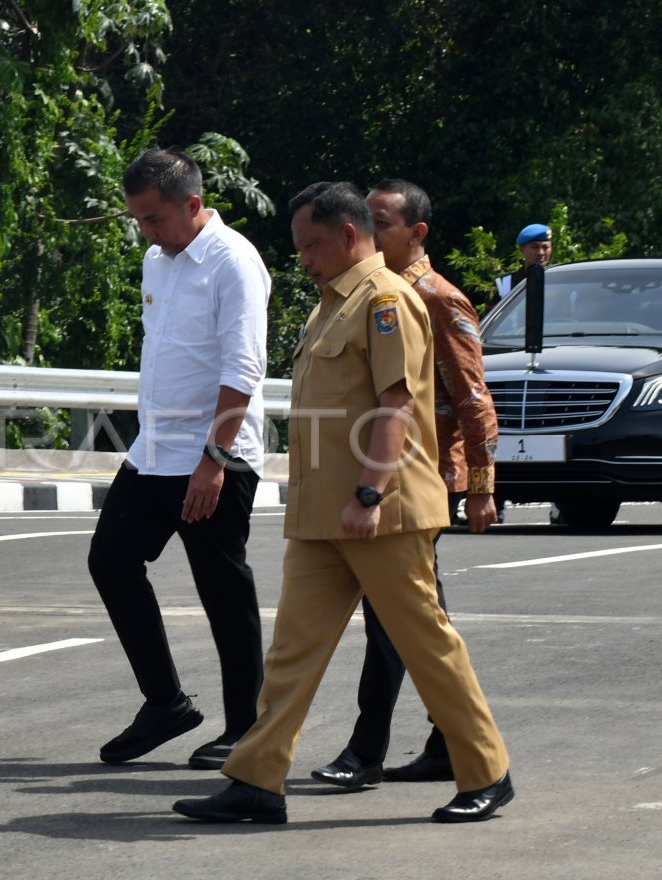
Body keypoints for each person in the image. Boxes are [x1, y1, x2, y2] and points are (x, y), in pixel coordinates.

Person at [173, 181, 512, 825]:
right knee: (293, 651)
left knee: (425, 643)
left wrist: (368, 492)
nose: (302, 258)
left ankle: (487, 771)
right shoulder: (330, 304)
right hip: (322, 514)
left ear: (347, 236)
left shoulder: (387, 300)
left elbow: (398, 404)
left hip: (379, 512)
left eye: (311, 245)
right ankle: (256, 781)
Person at [308, 178, 499, 791]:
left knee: (402, 620)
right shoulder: (358, 296)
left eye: (382, 222)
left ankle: (372, 752)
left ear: (416, 233)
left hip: (417, 481)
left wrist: (480, 484)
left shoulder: (435, 298)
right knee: (414, 620)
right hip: (386, 476)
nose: (369, 229)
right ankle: (445, 743)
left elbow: (473, 397)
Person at [88, 147, 270, 771]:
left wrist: (214, 460)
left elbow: (241, 367)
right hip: (154, 451)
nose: (147, 232)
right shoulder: (155, 261)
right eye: (139, 220)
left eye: (156, 218)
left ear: (193, 204)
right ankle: (165, 702)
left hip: (215, 455)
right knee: (110, 560)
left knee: (222, 588)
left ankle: (247, 728)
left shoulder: (233, 261)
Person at [493, 223, 552, 300]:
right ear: (521, 249)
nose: (541, 252)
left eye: (545, 247)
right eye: (534, 247)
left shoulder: (558, 281)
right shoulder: (503, 284)